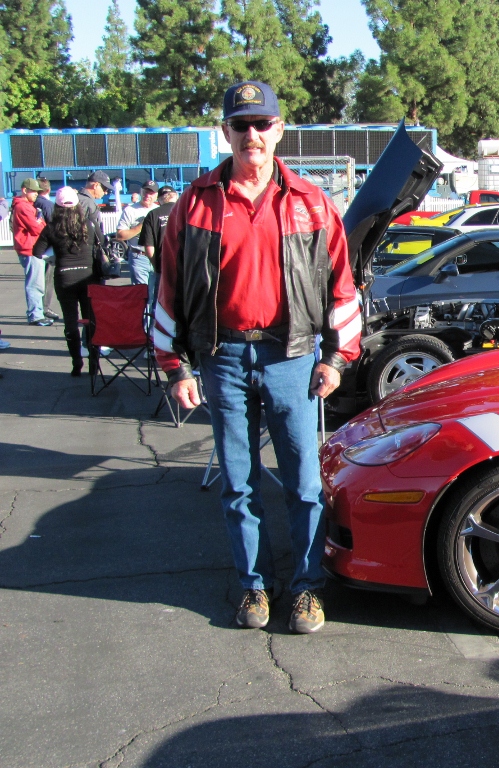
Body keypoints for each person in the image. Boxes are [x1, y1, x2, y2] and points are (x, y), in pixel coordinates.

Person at [155, 81, 361, 635]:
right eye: (241, 125)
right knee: (238, 483)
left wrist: (337, 358)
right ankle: (252, 586)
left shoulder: (312, 203)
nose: (252, 135)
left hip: (290, 358)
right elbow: (168, 291)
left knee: (303, 484)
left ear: (280, 130)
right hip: (221, 358)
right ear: (225, 132)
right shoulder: (195, 204)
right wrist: (175, 367)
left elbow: (343, 288)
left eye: (262, 124)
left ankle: (305, 590)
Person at [32, 187, 103, 376]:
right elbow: (101, 244)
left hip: (64, 277)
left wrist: (55, 254)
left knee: (70, 321)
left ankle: (76, 362)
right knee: (91, 321)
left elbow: (37, 252)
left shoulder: (52, 227)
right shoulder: (89, 224)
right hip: (88, 277)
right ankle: (94, 363)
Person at [11, 179, 51, 326]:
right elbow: (37, 228)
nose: (36, 194)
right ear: (25, 190)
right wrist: (40, 222)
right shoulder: (23, 207)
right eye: (33, 191)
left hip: (29, 248)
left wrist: (40, 222)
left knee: (36, 282)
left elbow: (40, 225)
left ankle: (37, 313)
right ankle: (36, 315)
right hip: (29, 249)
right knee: (35, 284)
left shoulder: (26, 206)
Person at [116, 181, 160, 293]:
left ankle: (152, 311)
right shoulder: (130, 210)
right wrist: (141, 227)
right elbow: (120, 235)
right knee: (142, 294)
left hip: (158, 256)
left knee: (157, 294)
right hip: (139, 256)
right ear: (141, 192)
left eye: (151, 193)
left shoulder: (159, 210)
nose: (147, 196)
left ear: (156, 195)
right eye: (145, 192)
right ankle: (143, 311)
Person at [138, 186, 178, 284]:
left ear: (159, 200)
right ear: (176, 197)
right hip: (185, 268)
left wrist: (157, 266)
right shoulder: (187, 212)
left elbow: (149, 250)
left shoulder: (152, 214)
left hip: (163, 267)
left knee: (161, 298)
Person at [34, 178, 61, 322]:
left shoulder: (31, 203)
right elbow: (53, 227)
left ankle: (37, 308)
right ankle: (45, 308)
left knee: (35, 281)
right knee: (47, 279)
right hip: (47, 248)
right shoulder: (48, 205)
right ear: (49, 190)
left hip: (33, 246)